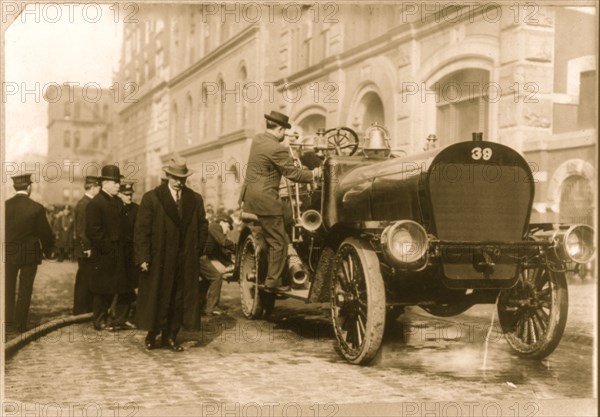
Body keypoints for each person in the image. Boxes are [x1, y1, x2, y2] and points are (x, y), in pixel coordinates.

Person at [238, 111, 320, 292]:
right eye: (284, 132)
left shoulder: (258, 139)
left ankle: (293, 250)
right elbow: (294, 174)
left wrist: (285, 144)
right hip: (266, 200)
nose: (285, 135)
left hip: (253, 196)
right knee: (279, 242)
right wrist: (315, 174)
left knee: (289, 218)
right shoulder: (277, 149)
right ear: (281, 129)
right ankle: (272, 282)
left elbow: (272, 154)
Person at [134, 157, 208, 352]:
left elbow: (202, 225)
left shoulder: (194, 198)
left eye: (182, 178)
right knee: (158, 295)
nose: (178, 182)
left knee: (179, 297)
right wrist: (143, 257)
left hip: (184, 258)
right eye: (175, 177)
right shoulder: (152, 198)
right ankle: (152, 334)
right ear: (167, 176)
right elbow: (141, 230)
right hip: (160, 257)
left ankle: (171, 336)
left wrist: (197, 250)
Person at [4, 174, 54, 333]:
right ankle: (19, 325)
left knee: (7, 287)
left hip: (8, 253)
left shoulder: (5, 205)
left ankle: (6, 321)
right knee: (25, 289)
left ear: (14, 187)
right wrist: (48, 251)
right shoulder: (37, 208)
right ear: (28, 187)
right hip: (29, 255)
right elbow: (45, 233)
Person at [86, 165, 132, 331]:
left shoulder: (117, 201)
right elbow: (93, 231)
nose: (118, 185)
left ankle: (118, 320)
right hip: (105, 253)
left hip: (120, 251)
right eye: (115, 182)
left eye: (118, 182)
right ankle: (100, 320)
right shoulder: (96, 203)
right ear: (104, 183)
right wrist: (108, 248)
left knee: (123, 287)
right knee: (102, 289)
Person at [73, 175, 101, 315]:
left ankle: (83, 309)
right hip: (85, 249)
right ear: (93, 188)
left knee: (86, 278)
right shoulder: (85, 204)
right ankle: (81, 310)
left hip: (85, 248)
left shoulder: (86, 202)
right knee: (84, 279)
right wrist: (87, 247)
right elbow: (81, 230)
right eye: (98, 187)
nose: (100, 189)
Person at [199, 214, 235, 316]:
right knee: (216, 278)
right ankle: (210, 308)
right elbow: (223, 242)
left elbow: (217, 253)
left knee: (206, 280)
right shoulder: (215, 226)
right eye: (228, 227)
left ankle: (201, 306)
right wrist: (237, 247)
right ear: (223, 222)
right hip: (200, 257)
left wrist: (231, 264)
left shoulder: (213, 229)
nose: (228, 230)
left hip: (200, 257)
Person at [116, 182, 139, 328]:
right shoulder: (114, 208)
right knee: (118, 285)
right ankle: (116, 316)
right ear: (119, 194)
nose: (129, 197)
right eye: (126, 194)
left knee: (129, 284)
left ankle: (122, 318)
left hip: (131, 253)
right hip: (117, 252)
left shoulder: (136, 209)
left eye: (131, 194)